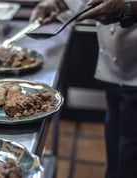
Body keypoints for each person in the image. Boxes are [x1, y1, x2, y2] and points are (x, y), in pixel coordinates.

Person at [30, 0, 137, 178]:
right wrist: (61, 4)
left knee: (130, 157)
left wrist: (130, 8)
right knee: (117, 149)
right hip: (116, 68)